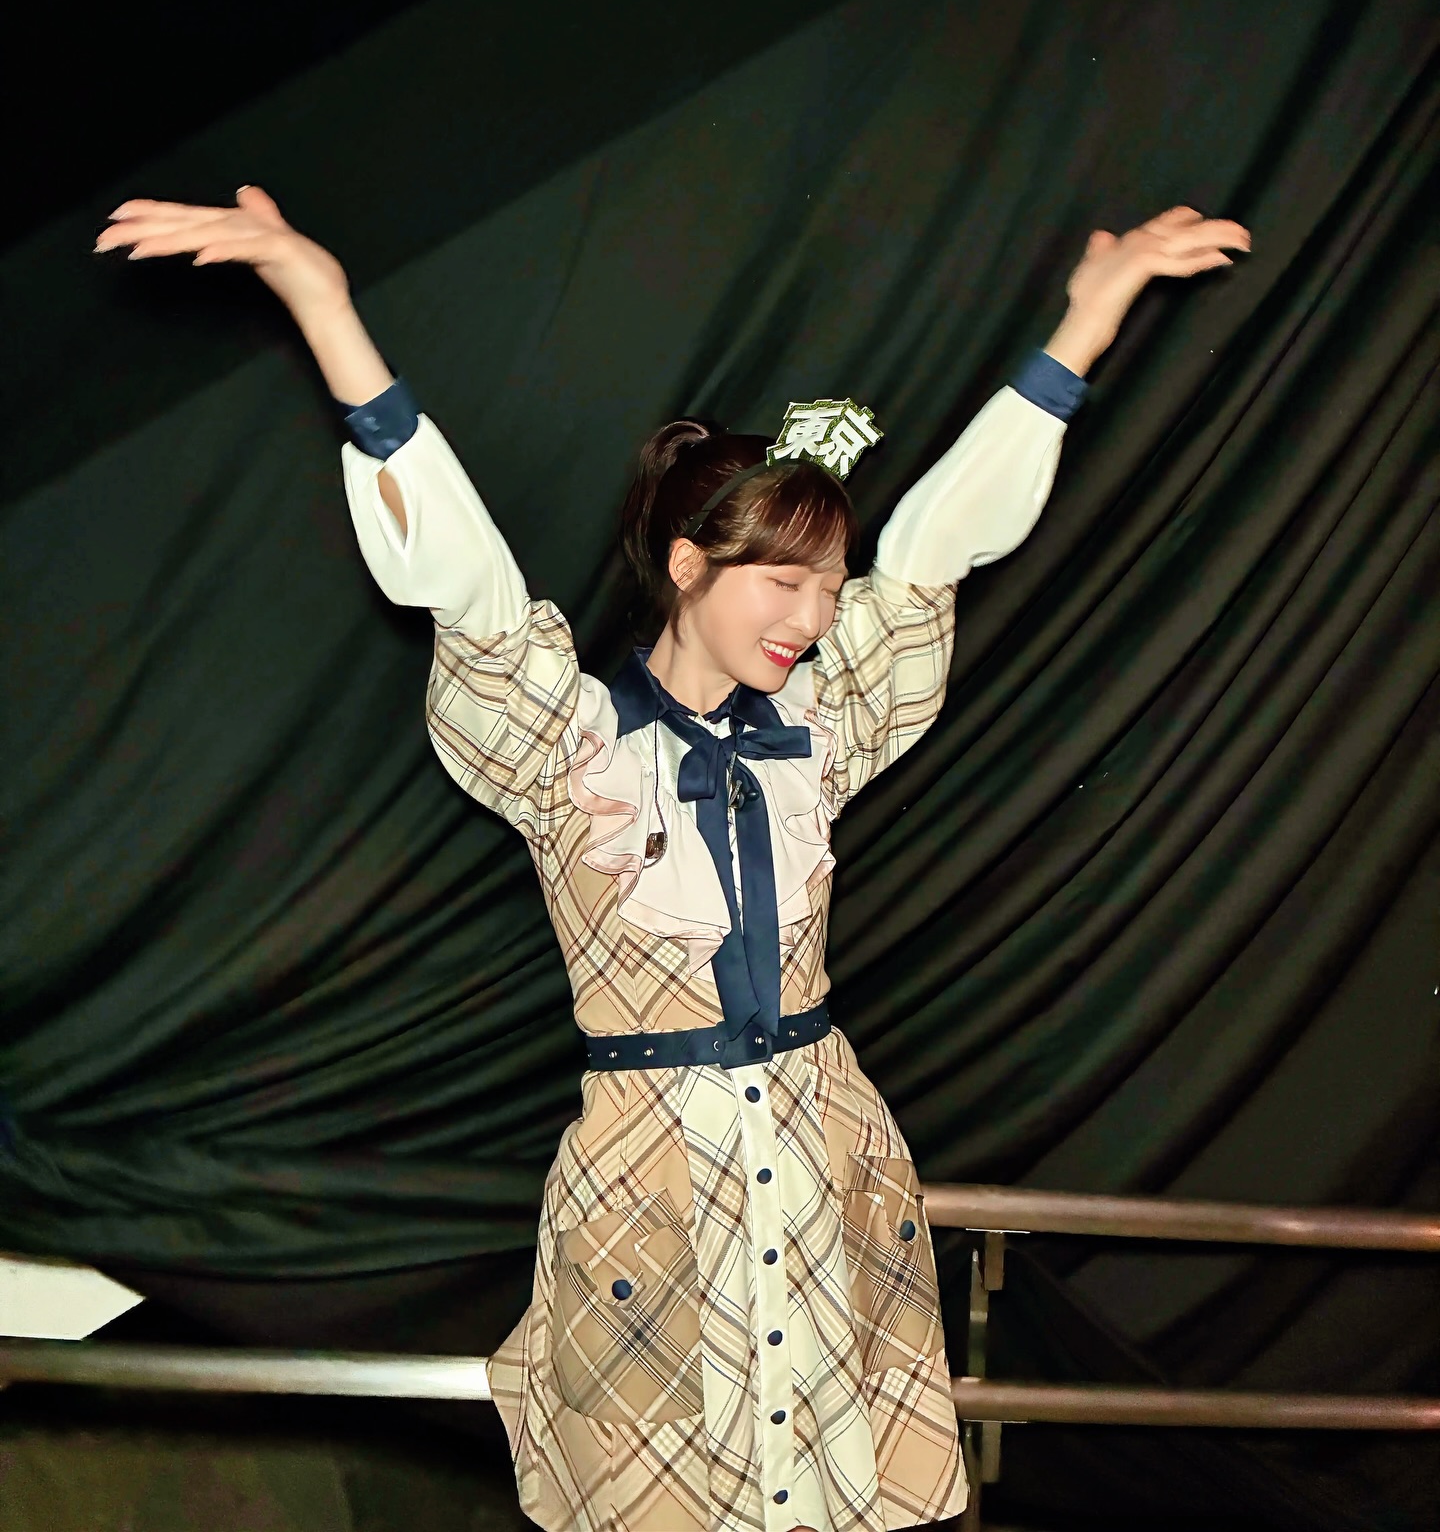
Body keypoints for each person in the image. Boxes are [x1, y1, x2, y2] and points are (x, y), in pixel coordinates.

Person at [97, 188, 1248, 1532]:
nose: (814, 617)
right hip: (649, 1186)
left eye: (828, 586)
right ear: (690, 564)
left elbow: (937, 549)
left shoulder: (824, 724)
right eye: (784, 582)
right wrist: (321, 300)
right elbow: (461, 582)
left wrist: (1088, 320)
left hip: (824, 1155)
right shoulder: (570, 744)